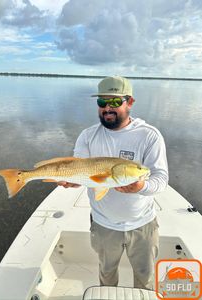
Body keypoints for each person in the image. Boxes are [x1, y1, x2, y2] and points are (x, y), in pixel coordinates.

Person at [58, 76, 169, 290]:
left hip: (142, 225)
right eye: (102, 102)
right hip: (103, 224)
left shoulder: (149, 136)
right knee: (106, 275)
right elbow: (80, 170)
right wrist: (73, 181)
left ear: (130, 102)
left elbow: (161, 180)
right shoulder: (87, 136)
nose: (107, 108)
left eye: (116, 102)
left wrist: (142, 187)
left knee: (145, 277)